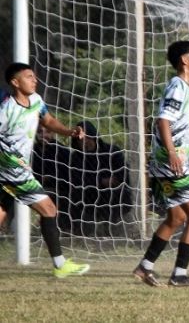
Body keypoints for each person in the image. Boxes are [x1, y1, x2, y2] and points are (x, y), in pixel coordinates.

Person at [0, 62, 90, 277]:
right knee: (49, 209)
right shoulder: (6, 109)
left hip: (13, 170)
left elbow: (48, 120)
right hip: (13, 169)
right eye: (29, 77)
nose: (35, 80)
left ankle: (60, 265)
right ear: (15, 82)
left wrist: (69, 131)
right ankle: (60, 265)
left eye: (35, 77)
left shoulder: (36, 101)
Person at [133, 40, 189, 287]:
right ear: (185, 60)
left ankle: (145, 267)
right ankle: (180, 274)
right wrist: (173, 153)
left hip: (167, 162)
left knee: (176, 217)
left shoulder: (183, 88)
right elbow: (162, 121)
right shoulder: (178, 87)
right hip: (171, 163)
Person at [69, 121, 132, 237]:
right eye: (80, 139)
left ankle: (112, 229)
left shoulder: (112, 151)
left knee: (120, 195)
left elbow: (123, 174)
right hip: (87, 197)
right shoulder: (75, 157)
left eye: (87, 138)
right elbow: (77, 180)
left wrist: (113, 180)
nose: (84, 142)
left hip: (114, 195)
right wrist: (101, 181)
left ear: (93, 136)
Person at [32, 125, 72, 232]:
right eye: (40, 132)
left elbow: (67, 177)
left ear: (53, 133)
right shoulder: (31, 150)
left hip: (57, 189)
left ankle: (60, 228)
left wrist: (49, 179)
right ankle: (9, 227)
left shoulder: (62, 151)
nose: (44, 135)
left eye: (48, 132)